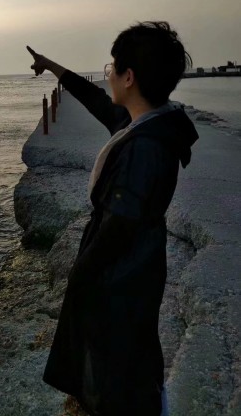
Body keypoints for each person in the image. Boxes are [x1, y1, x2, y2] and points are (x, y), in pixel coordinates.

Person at [26, 21, 199, 416]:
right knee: (125, 355)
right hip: (136, 263)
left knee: (117, 364)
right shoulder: (144, 124)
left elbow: (117, 228)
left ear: (129, 77)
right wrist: (50, 65)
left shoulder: (145, 147)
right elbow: (94, 99)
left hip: (124, 273)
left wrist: (79, 275)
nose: (108, 76)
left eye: (112, 68)